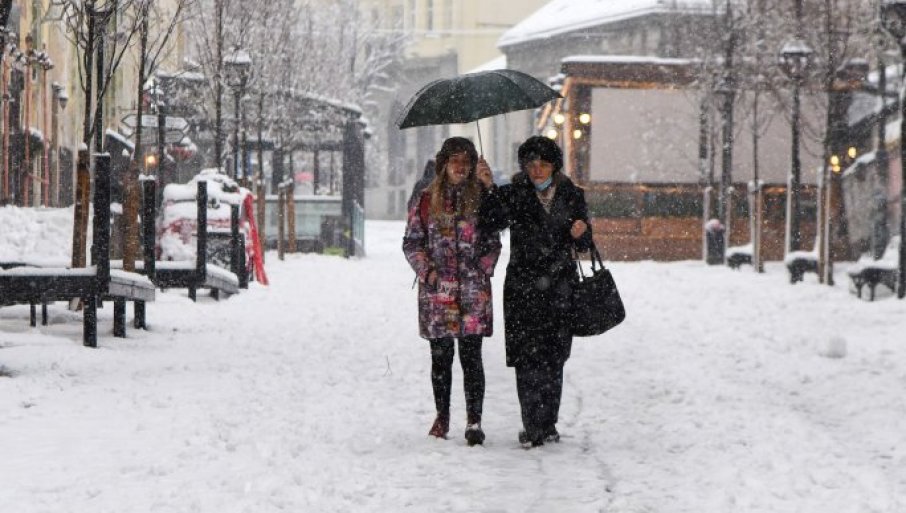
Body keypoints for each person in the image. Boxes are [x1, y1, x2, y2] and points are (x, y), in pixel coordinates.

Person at [476, 135, 593, 448]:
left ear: (554, 165)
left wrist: (581, 233)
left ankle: (548, 423)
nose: (537, 169)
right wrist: (488, 187)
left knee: (554, 358)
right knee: (527, 360)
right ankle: (532, 425)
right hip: (523, 288)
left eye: (543, 163)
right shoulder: (514, 193)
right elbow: (490, 222)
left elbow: (585, 243)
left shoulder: (572, 195)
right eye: (532, 164)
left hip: (559, 288)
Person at [402, 137, 502, 446]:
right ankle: (442, 417)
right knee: (441, 357)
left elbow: (495, 238)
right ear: (444, 163)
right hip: (437, 293)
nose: (460, 167)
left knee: (472, 358)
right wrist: (427, 272)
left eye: (466, 161)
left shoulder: (482, 197)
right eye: (454, 160)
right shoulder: (425, 198)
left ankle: (474, 420)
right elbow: (412, 242)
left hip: (473, 292)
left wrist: (482, 269)